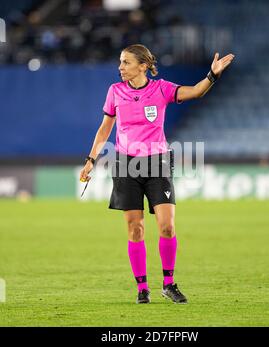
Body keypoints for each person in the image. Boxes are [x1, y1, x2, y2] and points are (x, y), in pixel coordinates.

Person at [80, 44, 234, 304]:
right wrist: (91, 159)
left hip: (157, 162)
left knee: (166, 226)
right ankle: (142, 288)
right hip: (126, 164)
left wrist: (212, 74)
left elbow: (196, 92)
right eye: (120, 62)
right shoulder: (115, 92)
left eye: (126, 62)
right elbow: (105, 129)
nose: (120, 67)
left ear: (143, 66)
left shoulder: (161, 89)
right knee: (135, 228)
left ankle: (169, 283)